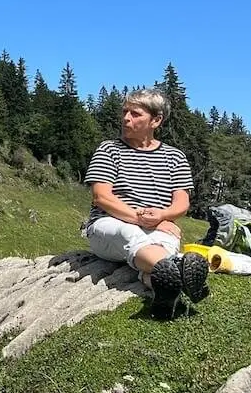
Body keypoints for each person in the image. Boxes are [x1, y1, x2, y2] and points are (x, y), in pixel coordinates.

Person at [83, 88, 209, 313]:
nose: (126, 118)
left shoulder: (175, 157)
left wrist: (163, 216)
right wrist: (145, 220)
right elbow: (101, 197)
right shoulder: (109, 149)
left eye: (135, 114)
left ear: (156, 120)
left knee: (163, 244)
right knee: (129, 233)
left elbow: (181, 203)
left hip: (156, 226)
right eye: (124, 112)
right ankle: (180, 267)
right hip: (108, 226)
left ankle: (165, 286)